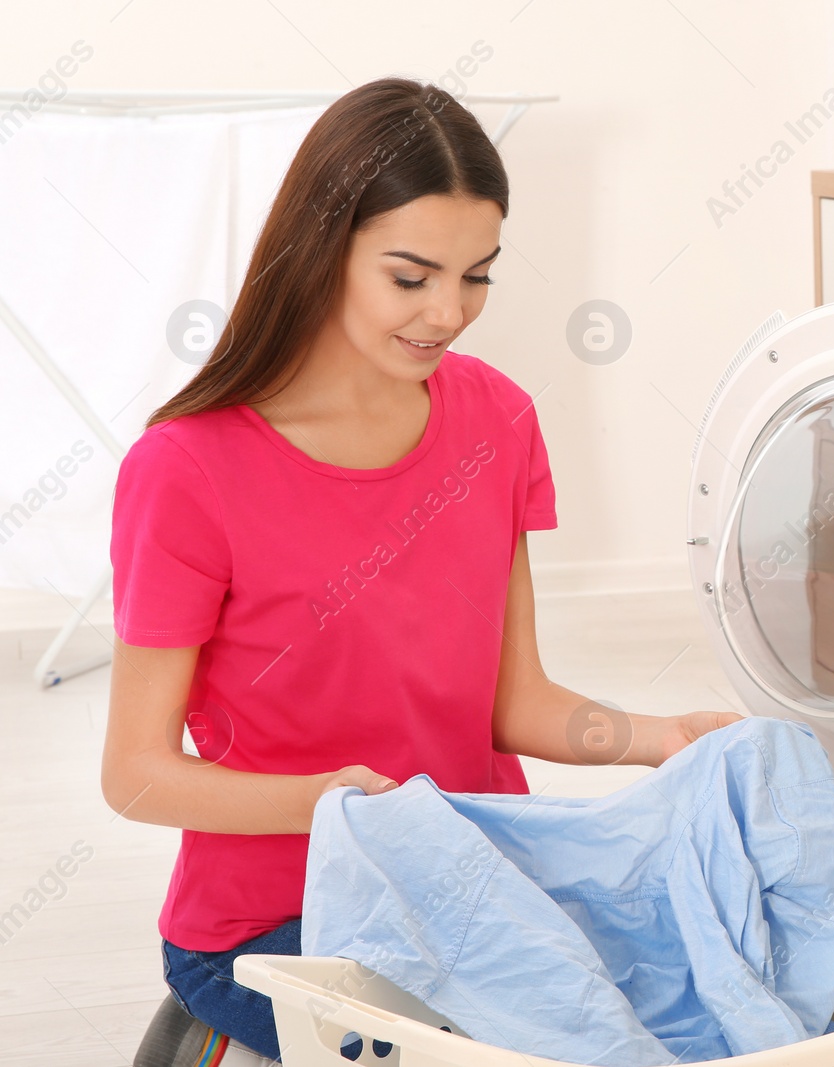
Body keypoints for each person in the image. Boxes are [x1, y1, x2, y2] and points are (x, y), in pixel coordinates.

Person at [105, 77, 740, 1067]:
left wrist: (661, 738)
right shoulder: (187, 468)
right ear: (324, 249)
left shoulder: (497, 422)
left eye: (477, 275)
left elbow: (509, 701)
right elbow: (135, 775)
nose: (449, 311)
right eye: (411, 276)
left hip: (482, 887)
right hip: (282, 922)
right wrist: (336, 801)